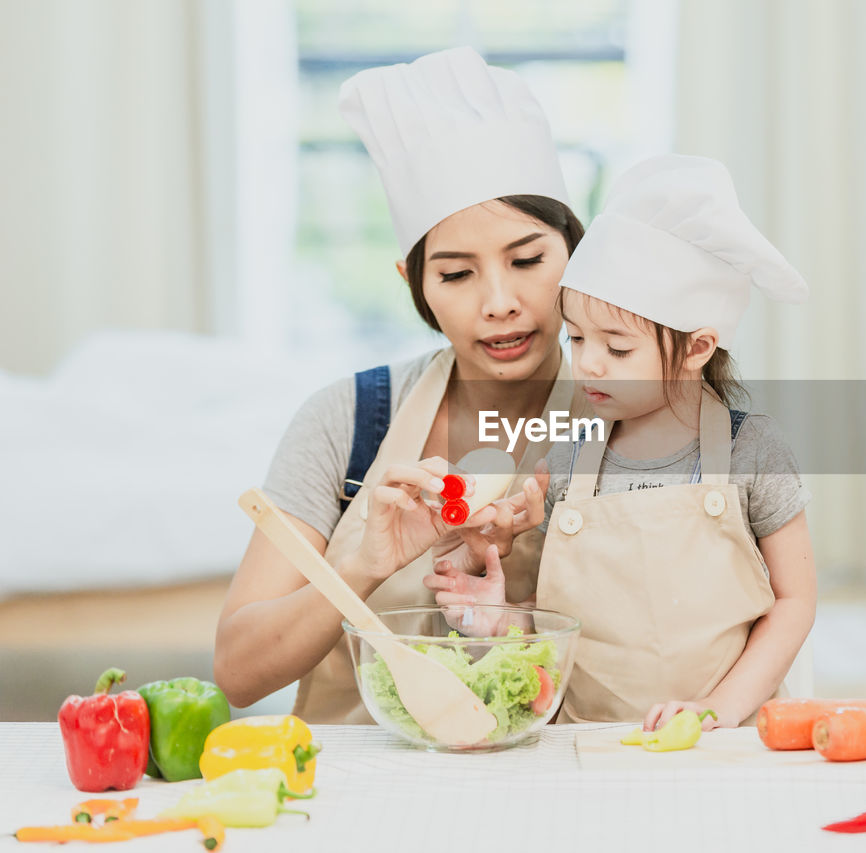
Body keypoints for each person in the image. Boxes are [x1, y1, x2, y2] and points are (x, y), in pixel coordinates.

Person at [214, 47, 588, 723]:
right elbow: (239, 671)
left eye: (528, 259)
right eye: (456, 274)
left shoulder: (641, 421)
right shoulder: (348, 421)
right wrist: (361, 562)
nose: (499, 301)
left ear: (575, 250)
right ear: (413, 283)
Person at [426, 154, 816, 731]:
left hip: (725, 741)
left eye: (617, 347)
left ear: (696, 349)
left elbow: (795, 602)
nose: (588, 365)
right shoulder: (568, 457)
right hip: (589, 740)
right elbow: (570, 625)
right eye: (578, 338)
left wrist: (718, 710)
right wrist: (501, 621)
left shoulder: (752, 449)